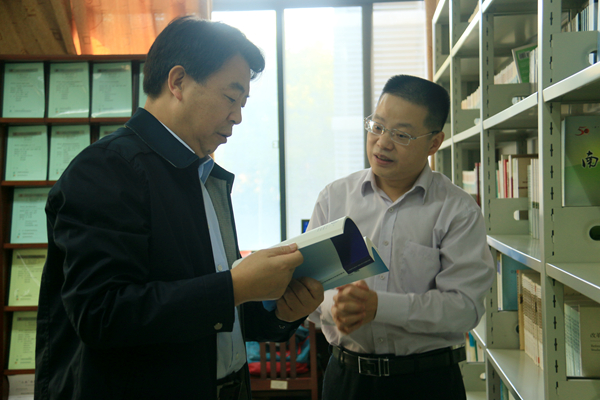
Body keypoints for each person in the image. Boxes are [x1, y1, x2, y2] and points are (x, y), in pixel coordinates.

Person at [35, 17, 324, 400]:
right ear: (178, 82)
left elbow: (215, 315)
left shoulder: (203, 175)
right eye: (230, 98)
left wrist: (279, 312)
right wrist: (234, 287)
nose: (238, 117)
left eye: (243, 104)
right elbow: (101, 314)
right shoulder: (106, 169)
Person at [307, 75, 495, 400]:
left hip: (427, 383)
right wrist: (333, 306)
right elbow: (310, 287)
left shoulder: (457, 210)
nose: (382, 142)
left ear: (434, 143)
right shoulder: (335, 199)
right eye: (377, 126)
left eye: (401, 134)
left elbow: (464, 308)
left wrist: (379, 307)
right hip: (346, 380)